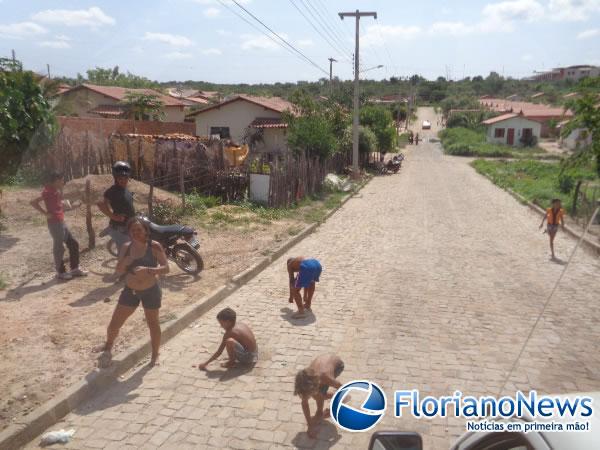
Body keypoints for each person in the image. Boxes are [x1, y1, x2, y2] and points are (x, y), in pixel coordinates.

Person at [94, 217, 169, 367]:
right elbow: (118, 271)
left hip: (151, 291)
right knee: (114, 324)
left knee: (152, 323)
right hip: (130, 291)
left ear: (145, 231)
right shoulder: (126, 247)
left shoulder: (154, 246)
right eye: (132, 230)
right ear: (129, 232)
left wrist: (149, 270)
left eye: (139, 229)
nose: (136, 232)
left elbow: (166, 268)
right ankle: (108, 347)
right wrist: (124, 262)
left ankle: (155, 355)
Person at [30, 171, 87, 280]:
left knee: (73, 244)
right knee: (59, 248)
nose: (63, 182)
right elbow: (33, 202)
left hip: (61, 222)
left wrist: (71, 206)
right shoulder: (47, 191)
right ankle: (60, 272)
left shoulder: (56, 191)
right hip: (55, 224)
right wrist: (45, 213)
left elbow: (58, 205)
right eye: (61, 180)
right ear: (56, 181)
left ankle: (74, 269)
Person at [294, 354, 345, 439]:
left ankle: (330, 399)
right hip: (323, 362)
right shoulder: (304, 379)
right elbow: (304, 403)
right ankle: (321, 408)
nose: (305, 398)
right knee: (318, 394)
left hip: (338, 365)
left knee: (318, 395)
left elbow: (342, 388)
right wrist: (310, 425)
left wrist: (334, 407)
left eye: (307, 395)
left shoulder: (326, 377)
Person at [97, 161, 136, 252]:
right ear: (115, 178)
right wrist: (114, 217)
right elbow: (101, 204)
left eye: (125, 178)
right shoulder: (112, 191)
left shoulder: (125, 189)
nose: (123, 180)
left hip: (127, 226)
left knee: (131, 251)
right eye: (120, 178)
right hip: (119, 228)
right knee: (126, 253)